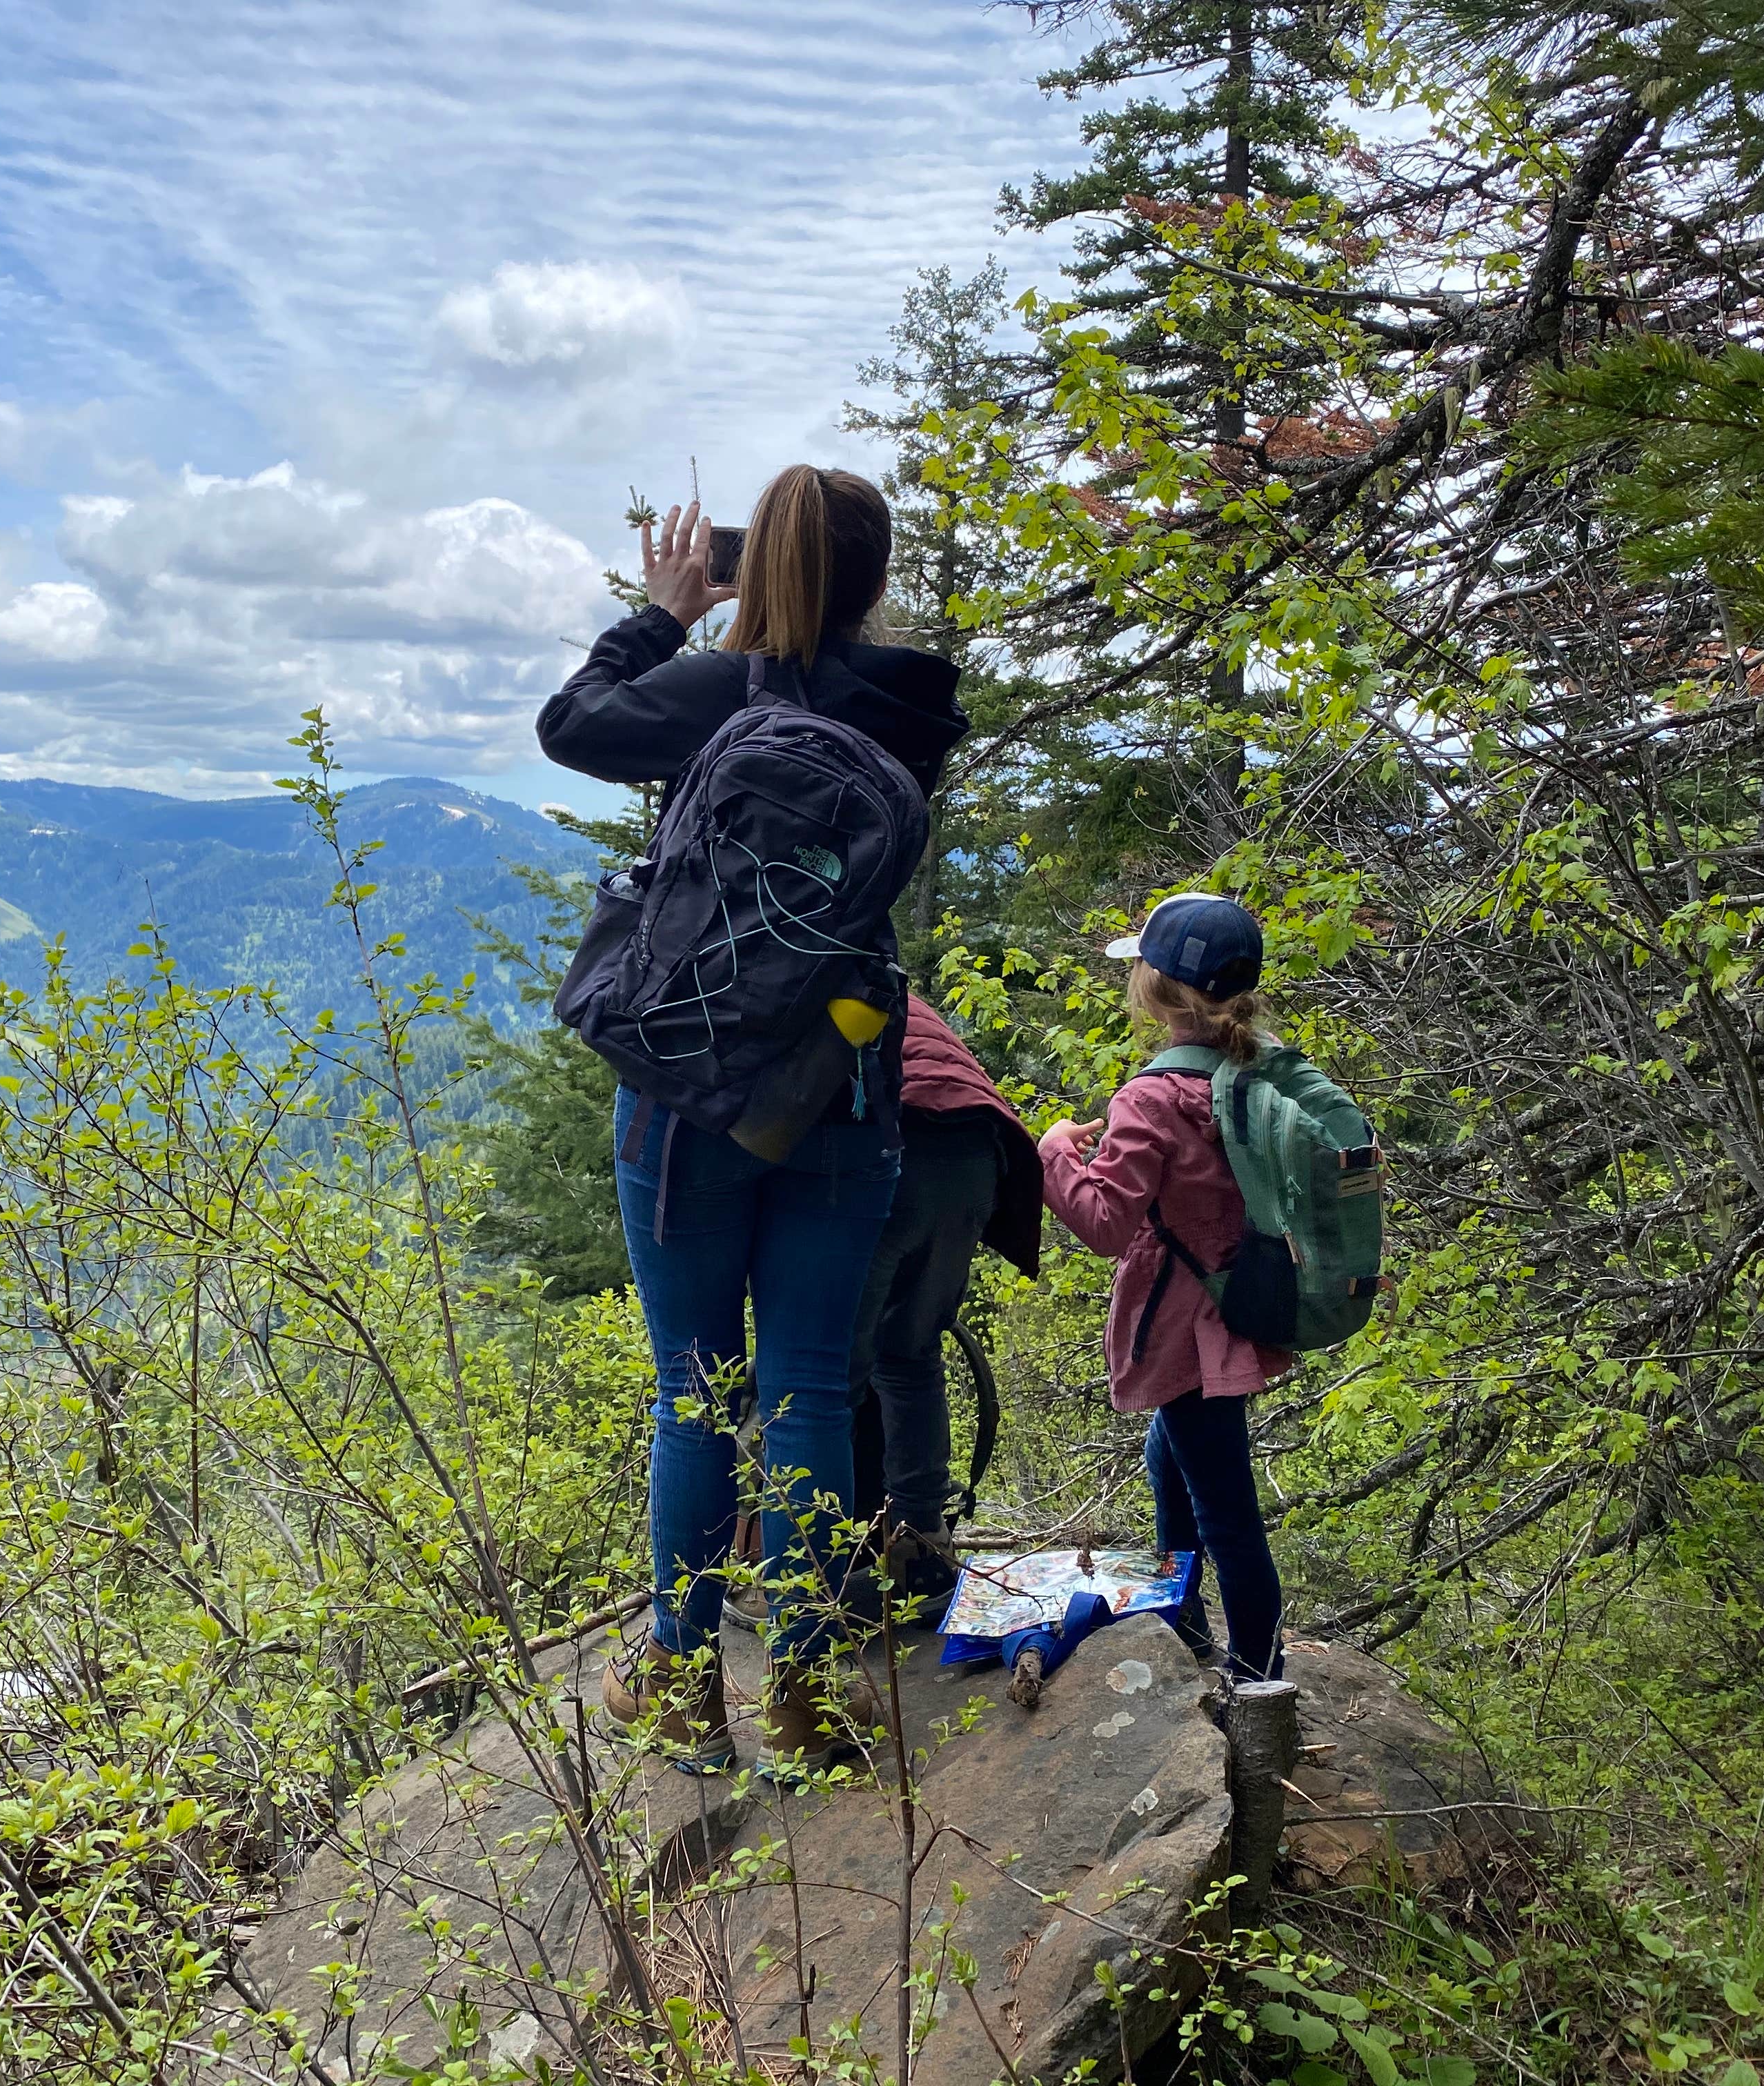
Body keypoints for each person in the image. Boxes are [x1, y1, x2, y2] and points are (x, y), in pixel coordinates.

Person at [537, 470, 968, 1774]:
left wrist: (666, 615)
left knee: (695, 1389)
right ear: (875, 579)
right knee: (809, 1386)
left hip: (687, 1082)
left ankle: (679, 1682)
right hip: (841, 1075)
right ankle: (803, 1695)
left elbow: (571, 724)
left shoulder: (720, 691)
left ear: (753, 565)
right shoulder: (914, 707)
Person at [1034, 893, 1292, 1684]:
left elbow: (1106, 1225)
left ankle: (1260, 1679)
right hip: (1242, 1305)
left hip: (1185, 1328)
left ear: (1157, 990)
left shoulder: (1152, 1097)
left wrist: (1054, 1154)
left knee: (1228, 1516)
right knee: (1171, 1464)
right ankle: (1184, 1624)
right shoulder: (1263, 1067)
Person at [850, 993, 1040, 1601]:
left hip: (890, 1149)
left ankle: (820, 1569)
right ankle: (922, 1550)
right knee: (910, 1357)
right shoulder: (885, 983)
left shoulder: (794, 974)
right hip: (975, 1156)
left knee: (824, 1383)